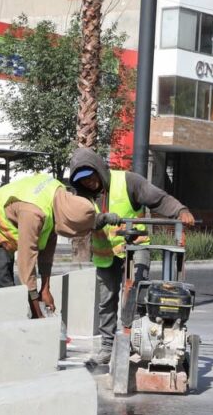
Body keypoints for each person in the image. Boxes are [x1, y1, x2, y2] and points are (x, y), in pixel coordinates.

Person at [67, 147, 195, 365]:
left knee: (136, 295)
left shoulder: (128, 181)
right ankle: (108, 347)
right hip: (106, 253)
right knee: (106, 302)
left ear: (99, 169)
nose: (89, 182)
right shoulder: (81, 196)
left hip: (135, 248)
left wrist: (180, 211)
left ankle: (137, 342)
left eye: (91, 177)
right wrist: (101, 218)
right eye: (83, 180)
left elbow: (158, 198)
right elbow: (79, 220)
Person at [0, 172, 100, 318]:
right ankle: (0, 338)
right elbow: (26, 261)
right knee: (5, 300)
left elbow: (48, 245)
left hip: (2, 233)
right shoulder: (33, 213)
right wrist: (37, 313)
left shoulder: (58, 194)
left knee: (10, 299)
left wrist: (45, 289)